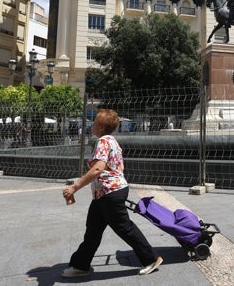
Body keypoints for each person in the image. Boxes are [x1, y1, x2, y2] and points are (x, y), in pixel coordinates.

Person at [61, 109, 163, 278]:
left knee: (124, 228)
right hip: (106, 193)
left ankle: (151, 258)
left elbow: (98, 169)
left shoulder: (102, 142)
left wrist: (75, 186)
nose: (92, 126)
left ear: (101, 127)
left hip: (110, 192)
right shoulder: (113, 141)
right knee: (93, 230)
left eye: (94, 123)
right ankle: (80, 265)